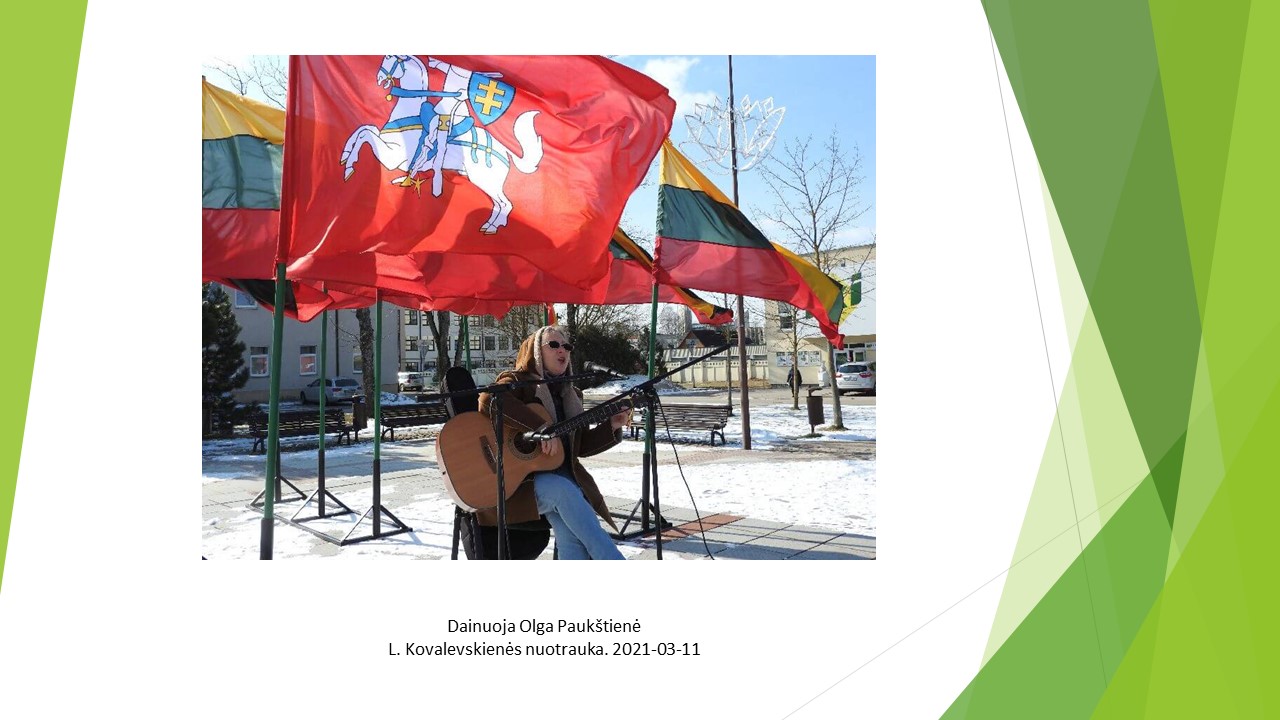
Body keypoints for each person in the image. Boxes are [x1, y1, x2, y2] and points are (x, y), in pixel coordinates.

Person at [477, 326, 632, 560]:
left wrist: (611, 425)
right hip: (518, 483)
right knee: (565, 492)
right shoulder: (518, 381)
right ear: (536, 352)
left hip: (561, 479)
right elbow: (490, 398)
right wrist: (540, 429)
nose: (563, 350)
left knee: (572, 541)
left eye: (567, 346)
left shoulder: (571, 395)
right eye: (554, 345)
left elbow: (579, 447)